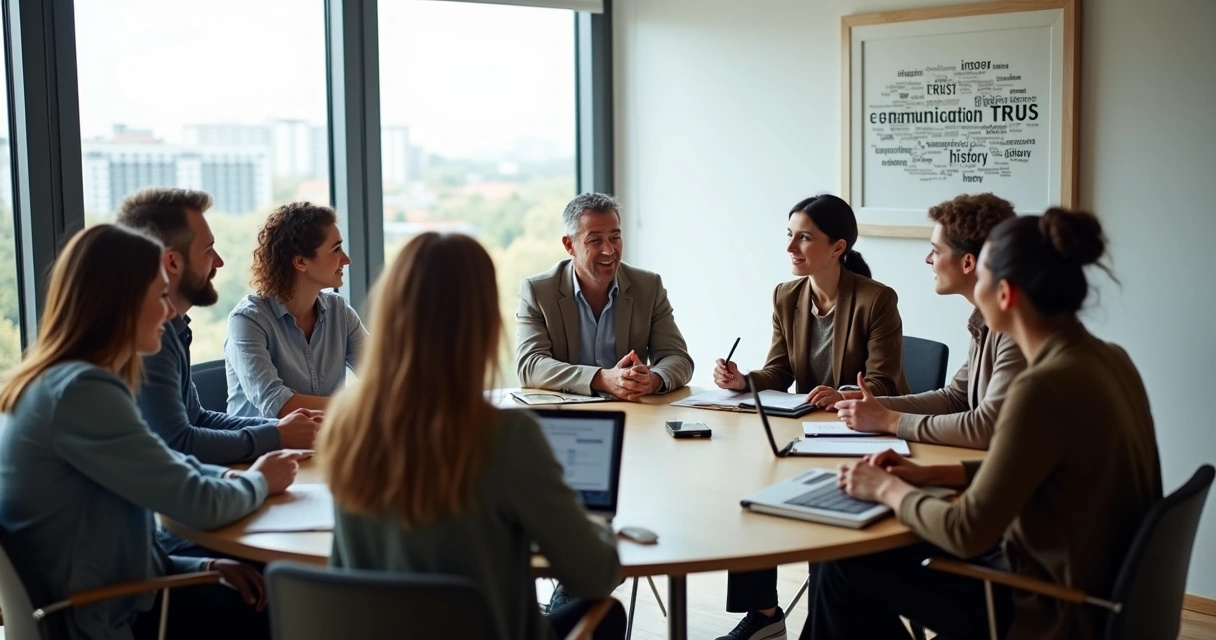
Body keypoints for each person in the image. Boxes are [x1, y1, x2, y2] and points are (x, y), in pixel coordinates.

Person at [811, 209, 1162, 640]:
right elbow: (1040, 465)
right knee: (852, 565)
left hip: (1043, 606)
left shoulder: (1041, 388)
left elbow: (966, 533)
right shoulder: (1109, 358)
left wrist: (884, 487)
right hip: (1092, 589)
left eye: (983, 277)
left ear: (1006, 294)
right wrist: (931, 473)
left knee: (844, 567)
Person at [0, 224, 303, 640]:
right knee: (289, 606)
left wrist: (201, 567)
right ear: (121, 302)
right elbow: (194, 502)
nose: (170, 311)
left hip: (102, 601)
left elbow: (108, 532)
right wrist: (259, 481)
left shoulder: (56, 383)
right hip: (102, 622)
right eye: (161, 295)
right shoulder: (83, 393)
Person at [321, 232, 627, 640]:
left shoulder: (346, 425)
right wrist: (594, 522)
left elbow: (344, 572)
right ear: (482, 323)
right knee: (607, 613)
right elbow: (596, 574)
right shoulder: (506, 435)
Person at [712, 194, 908, 640]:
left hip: (864, 435)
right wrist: (743, 380)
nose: (791, 248)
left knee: (830, 509)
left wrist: (840, 392)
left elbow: (886, 383)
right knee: (753, 485)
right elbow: (779, 370)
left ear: (838, 247)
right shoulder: (786, 295)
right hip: (806, 431)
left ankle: (822, 627)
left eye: (804, 238)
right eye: (789, 236)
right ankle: (764, 615)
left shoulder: (876, 299)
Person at [116, 187, 321, 465]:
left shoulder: (172, 329)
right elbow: (178, 443)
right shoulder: (147, 339)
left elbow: (196, 419)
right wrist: (278, 437)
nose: (219, 262)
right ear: (173, 262)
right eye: (208, 250)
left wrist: (279, 430)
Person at [836, 193, 1027, 449]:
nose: (928, 259)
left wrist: (890, 421)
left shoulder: (1014, 329)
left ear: (968, 262)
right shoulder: (984, 321)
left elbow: (987, 428)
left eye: (936, 251)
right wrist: (866, 403)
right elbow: (955, 399)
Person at [516, 192, 693, 400]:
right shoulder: (538, 291)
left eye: (615, 237)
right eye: (595, 240)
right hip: (567, 416)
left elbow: (678, 357)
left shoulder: (648, 286)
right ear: (569, 245)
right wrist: (602, 378)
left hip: (631, 414)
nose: (609, 250)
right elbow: (530, 365)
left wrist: (651, 381)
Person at [225, 202, 368, 418]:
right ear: (301, 261)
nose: (346, 260)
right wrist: (358, 402)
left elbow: (382, 376)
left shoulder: (340, 311)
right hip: (264, 448)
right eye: (335, 249)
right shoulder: (247, 320)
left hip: (324, 444)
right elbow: (279, 404)